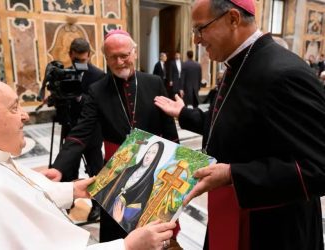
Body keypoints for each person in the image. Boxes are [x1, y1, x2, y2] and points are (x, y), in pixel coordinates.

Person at [154, 0, 325, 250]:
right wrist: (184, 113)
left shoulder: (284, 73)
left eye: (200, 29)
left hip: (273, 228)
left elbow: (319, 166)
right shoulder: (238, 65)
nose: (196, 41)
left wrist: (233, 174)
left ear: (233, 19)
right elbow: (234, 126)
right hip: (232, 211)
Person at [0, 76, 176, 250]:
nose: (25, 115)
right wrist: (127, 246)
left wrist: (73, 190)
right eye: (13, 108)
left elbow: (27, 193)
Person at [43, 30, 179, 243]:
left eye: (124, 55)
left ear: (134, 53)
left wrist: (178, 166)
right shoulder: (97, 90)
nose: (120, 61)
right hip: (115, 172)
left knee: (156, 232)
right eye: (113, 57)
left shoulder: (154, 83)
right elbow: (81, 133)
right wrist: (59, 167)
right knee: (116, 232)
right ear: (105, 58)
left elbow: (169, 130)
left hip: (154, 170)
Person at [51, 37, 105, 222]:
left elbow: (101, 107)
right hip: (70, 129)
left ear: (89, 55)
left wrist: (80, 98)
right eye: (76, 60)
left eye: (83, 60)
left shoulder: (99, 75)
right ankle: (68, 201)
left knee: (95, 171)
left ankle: (98, 206)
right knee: (67, 170)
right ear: (70, 55)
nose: (80, 63)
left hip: (91, 133)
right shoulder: (64, 74)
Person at [95, 141, 164, 233]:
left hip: (119, 225)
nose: (148, 155)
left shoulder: (148, 183)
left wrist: (121, 220)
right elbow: (109, 188)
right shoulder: (129, 170)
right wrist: (97, 197)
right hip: (107, 210)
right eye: (148, 152)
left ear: (157, 157)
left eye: (153, 153)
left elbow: (135, 213)